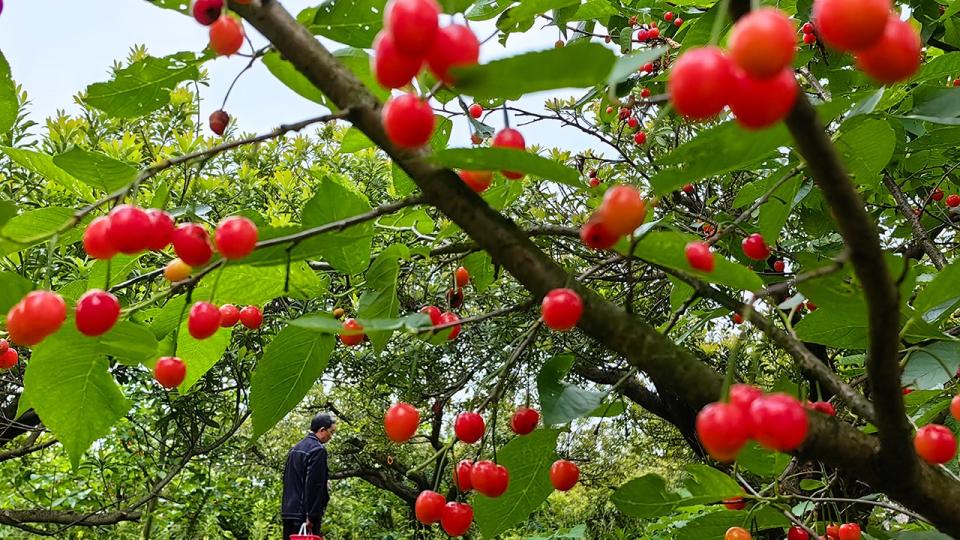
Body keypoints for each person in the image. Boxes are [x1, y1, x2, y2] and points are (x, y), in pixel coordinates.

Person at [281, 413, 336, 539]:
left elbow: (290, 479)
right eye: (331, 432)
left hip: (289, 512)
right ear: (322, 430)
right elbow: (313, 486)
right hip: (304, 515)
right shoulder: (318, 450)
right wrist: (311, 516)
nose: (331, 436)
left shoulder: (295, 449)